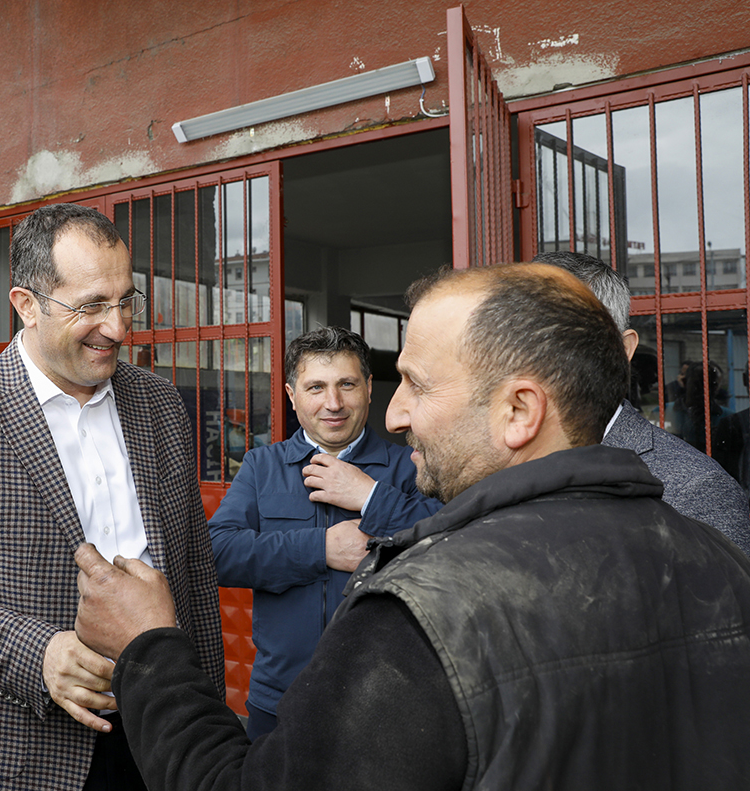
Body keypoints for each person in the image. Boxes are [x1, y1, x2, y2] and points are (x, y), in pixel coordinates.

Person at [74, 262, 750, 791]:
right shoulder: (721, 565)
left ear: (520, 411)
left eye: (415, 385)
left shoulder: (425, 617)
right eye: (319, 388)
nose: (395, 415)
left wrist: (148, 648)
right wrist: (318, 548)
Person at [0, 202, 224, 791]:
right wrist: (37, 654)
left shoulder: (161, 404)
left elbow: (195, 573)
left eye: (125, 301)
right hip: (24, 754)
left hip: (163, 737)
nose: (117, 328)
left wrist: (206, 713)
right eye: (91, 306)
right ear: (26, 305)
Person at [208, 325, 440, 739]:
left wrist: (370, 496)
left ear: (369, 388)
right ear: (291, 395)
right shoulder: (262, 467)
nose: (333, 403)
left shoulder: (409, 467)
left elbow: (449, 536)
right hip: (278, 698)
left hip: (383, 699)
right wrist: (320, 549)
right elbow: (217, 552)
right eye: (316, 387)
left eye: (346, 384)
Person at [533, 251, 749, 551]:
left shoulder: (694, 490)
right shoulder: (492, 460)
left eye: (561, 337)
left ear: (624, 349)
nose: (532, 357)